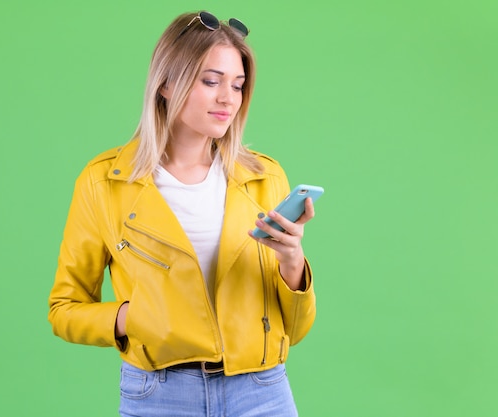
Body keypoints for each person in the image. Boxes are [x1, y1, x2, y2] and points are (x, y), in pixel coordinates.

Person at [48, 10, 317, 417]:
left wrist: (293, 262)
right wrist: (127, 317)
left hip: (262, 391)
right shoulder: (104, 183)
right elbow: (64, 309)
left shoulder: (264, 178)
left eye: (238, 85)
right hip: (159, 394)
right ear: (167, 84)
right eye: (211, 81)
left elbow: (295, 330)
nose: (228, 98)